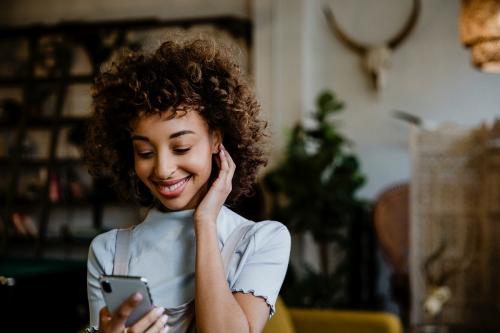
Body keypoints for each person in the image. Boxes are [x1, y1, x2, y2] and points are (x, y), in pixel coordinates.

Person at [84, 37, 291, 333]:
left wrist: (204, 220)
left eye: (181, 148)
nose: (163, 169)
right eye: (145, 152)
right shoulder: (108, 250)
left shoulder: (262, 240)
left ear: (216, 139)